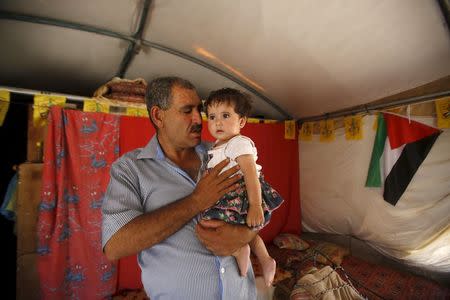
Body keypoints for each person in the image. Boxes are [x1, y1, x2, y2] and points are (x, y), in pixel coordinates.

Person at [101, 77, 258, 299]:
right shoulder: (130, 169)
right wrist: (196, 201)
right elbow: (115, 245)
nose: (198, 119)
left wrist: (244, 233)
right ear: (158, 116)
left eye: (199, 110)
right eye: (186, 111)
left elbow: (257, 203)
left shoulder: (225, 153)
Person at [202, 88, 284, 287]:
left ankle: (241, 250)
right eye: (212, 117)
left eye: (225, 115)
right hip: (226, 194)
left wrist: (256, 205)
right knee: (244, 229)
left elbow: (251, 174)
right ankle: (265, 260)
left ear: (241, 122)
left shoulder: (239, 143)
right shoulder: (216, 146)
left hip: (241, 194)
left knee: (211, 224)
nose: (217, 122)